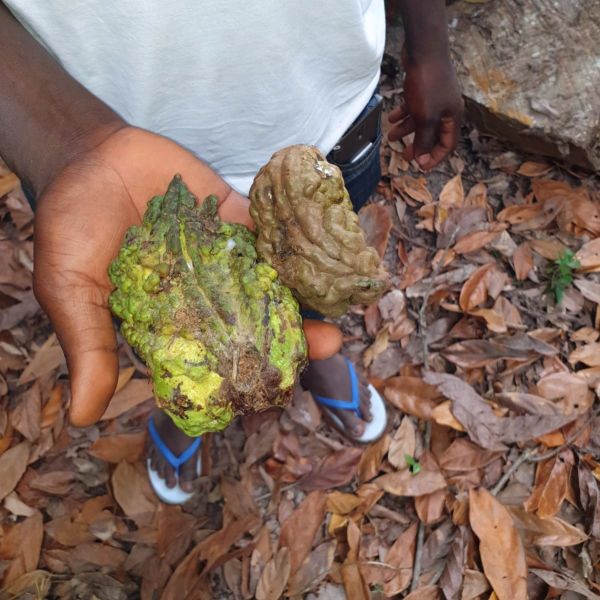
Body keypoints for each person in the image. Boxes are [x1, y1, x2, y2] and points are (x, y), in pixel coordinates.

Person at [0, 1, 462, 503]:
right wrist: (60, 138)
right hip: (103, 135)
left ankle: (308, 359)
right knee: (158, 304)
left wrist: (428, 43)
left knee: (314, 278)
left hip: (326, 116)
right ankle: (187, 398)